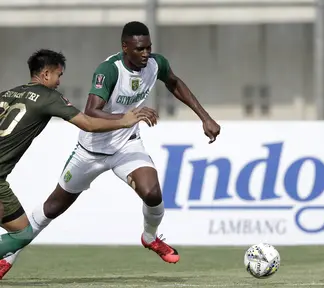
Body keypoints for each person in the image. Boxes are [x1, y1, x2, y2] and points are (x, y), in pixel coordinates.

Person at [0, 21, 220, 278]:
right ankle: (8, 257)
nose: (146, 54)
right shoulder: (109, 70)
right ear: (125, 47)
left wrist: (205, 117)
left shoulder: (156, 64)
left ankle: (150, 238)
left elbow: (174, 82)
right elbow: (91, 113)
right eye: (140, 49)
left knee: (152, 192)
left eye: (149, 48)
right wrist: (125, 118)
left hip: (126, 146)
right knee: (52, 209)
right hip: (89, 151)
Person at [0, 48, 159, 265]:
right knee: (22, 234)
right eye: (58, 75)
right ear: (46, 74)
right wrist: (126, 120)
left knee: (19, 229)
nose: (58, 82)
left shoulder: (8, 93)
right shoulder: (48, 96)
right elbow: (89, 123)